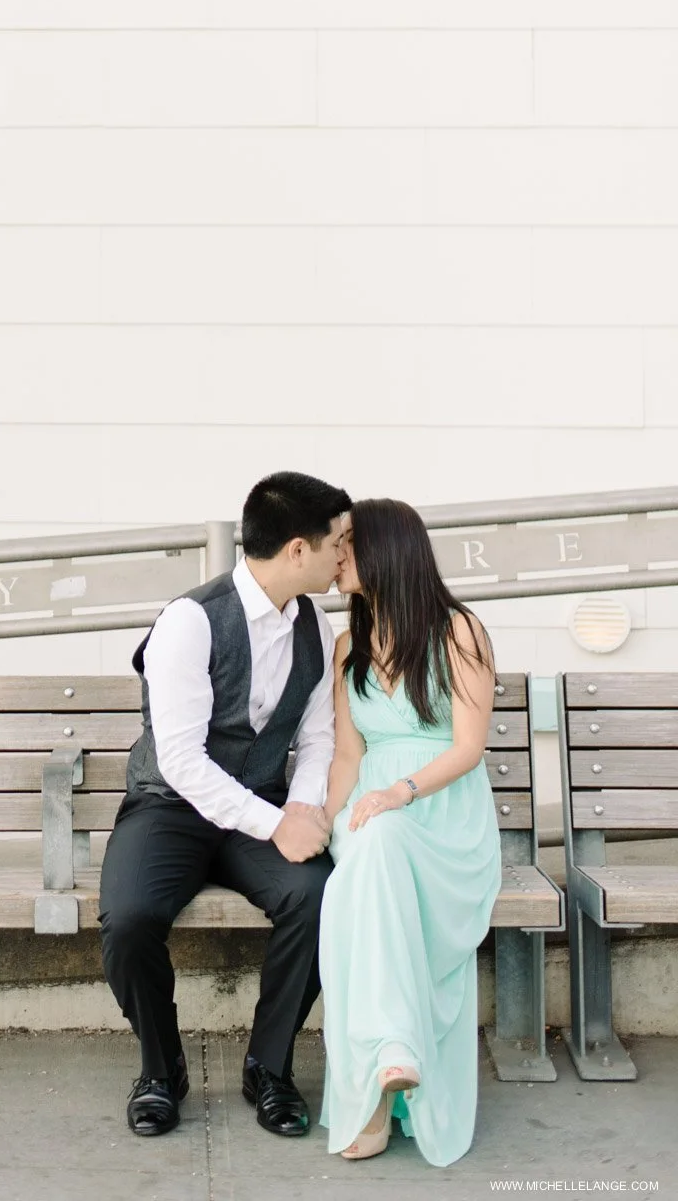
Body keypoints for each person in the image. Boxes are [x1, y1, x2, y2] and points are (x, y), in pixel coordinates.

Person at [99, 470, 352, 1138]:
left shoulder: (316, 625)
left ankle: (269, 1066)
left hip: (260, 806)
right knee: (129, 918)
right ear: (298, 550)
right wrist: (277, 823)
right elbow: (182, 760)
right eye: (338, 542)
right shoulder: (189, 621)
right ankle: (161, 1069)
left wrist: (301, 812)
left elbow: (318, 738)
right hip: (170, 807)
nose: (344, 556)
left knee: (318, 896)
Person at [318, 498, 502, 1168]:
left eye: (347, 543)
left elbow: (468, 747)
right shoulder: (347, 647)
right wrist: (321, 817)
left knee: (380, 849)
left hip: (441, 813)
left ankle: (375, 1090)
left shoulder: (459, 631)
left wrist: (400, 791)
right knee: (369, 854)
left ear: (387, 549)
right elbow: (347, 755)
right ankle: (392, 1054)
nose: (336, 555)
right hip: (369, 812)